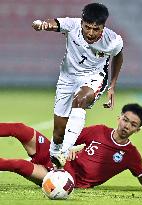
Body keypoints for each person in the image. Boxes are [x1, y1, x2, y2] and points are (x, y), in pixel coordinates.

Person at [32, 3, 123, 167]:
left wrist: (112, 85)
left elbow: (118, 56)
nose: (91, 32)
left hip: (94, 76)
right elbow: (53, 23)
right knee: (58, 132)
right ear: (81, 22)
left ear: (103, 26)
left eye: (96, 29)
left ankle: (64, 152)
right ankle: (55, 164)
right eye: (87, 27)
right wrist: (43, 25)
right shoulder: (72, 25)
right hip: (67, 78)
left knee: (80, 99)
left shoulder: (113, 40)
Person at [0, 103, 142, 189]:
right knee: (20, 128)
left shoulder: (131, 155)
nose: (126, 126)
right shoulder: (99, 131)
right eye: (125, 120)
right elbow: (66, 138)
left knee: (18, 164)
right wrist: (70, 147)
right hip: (57, 156)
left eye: (133, 124)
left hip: (66, 178)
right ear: (119, 118)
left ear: (138, 129)